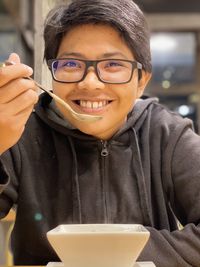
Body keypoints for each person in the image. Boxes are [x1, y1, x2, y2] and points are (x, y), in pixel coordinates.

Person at [0, 0, 200, 266]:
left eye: (113, 65)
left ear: (142, 80)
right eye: (71, 64)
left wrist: (119, 252)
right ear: (52, 74)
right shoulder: (21, 130)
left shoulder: (167, 134)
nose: (90, 83)